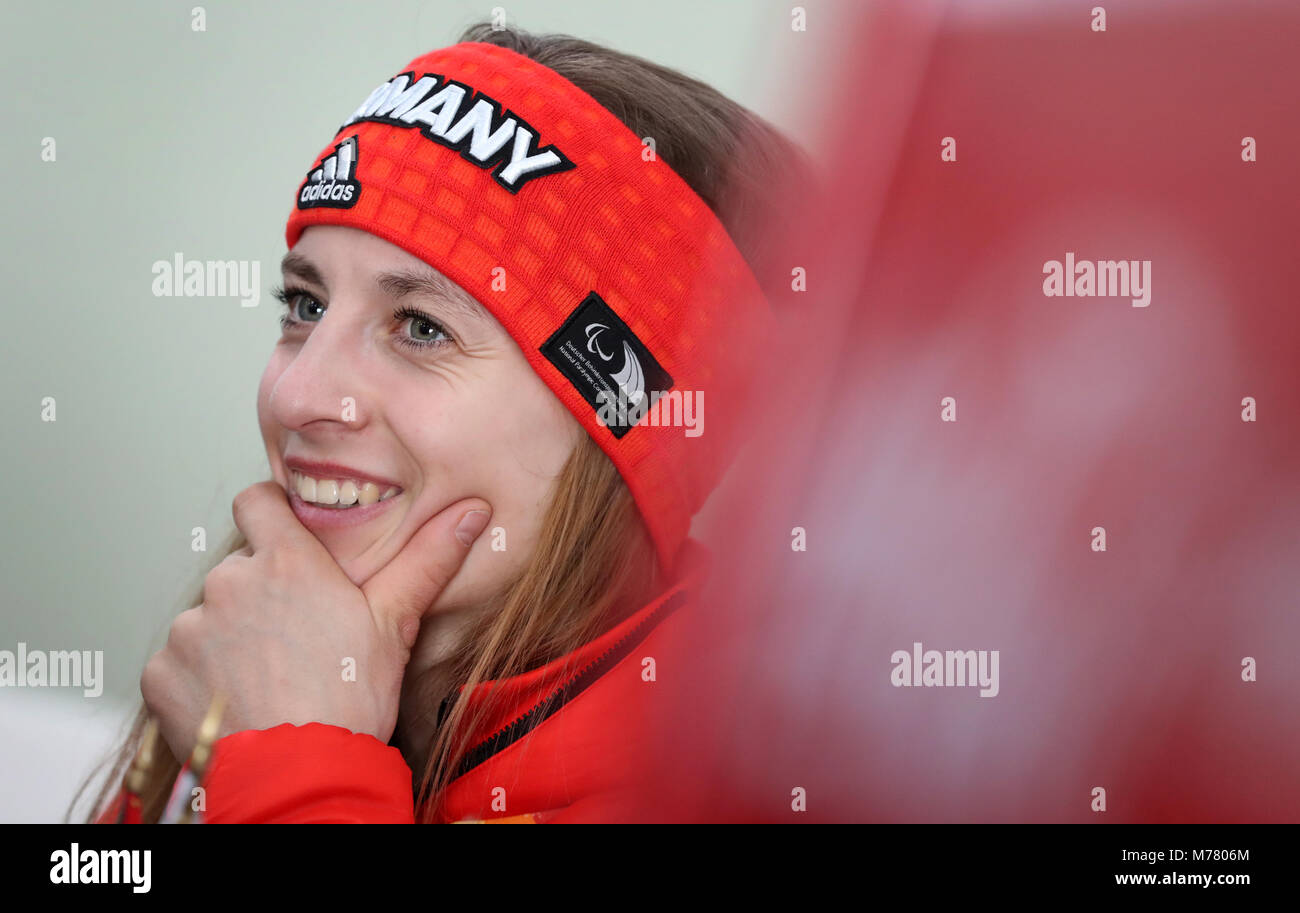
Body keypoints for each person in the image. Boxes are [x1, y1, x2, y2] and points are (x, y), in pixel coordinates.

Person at [78, 20, 811, 824]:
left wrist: (296, 764)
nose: (297, 397)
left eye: (422, 327)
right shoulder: (241, 661)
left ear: (625, 425)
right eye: (304, 305)